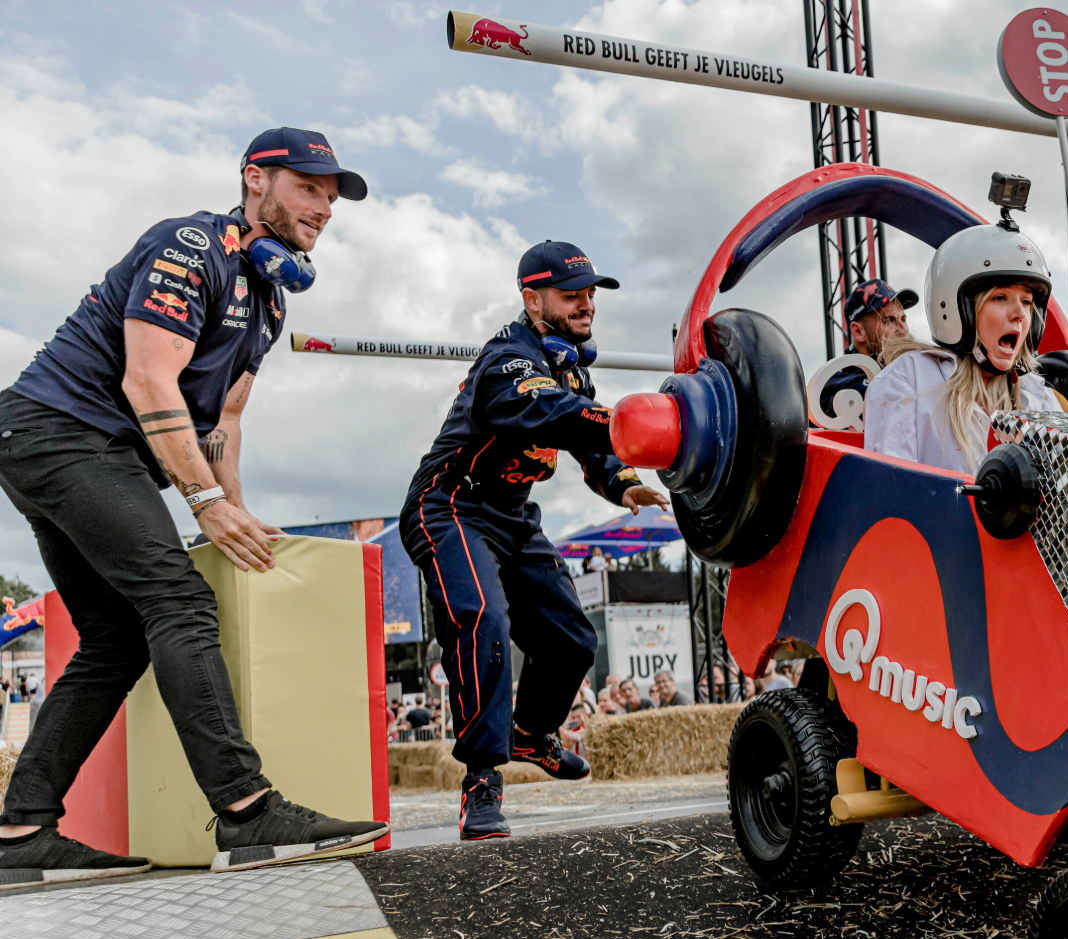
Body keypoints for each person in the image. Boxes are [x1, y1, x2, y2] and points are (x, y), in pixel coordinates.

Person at [0, 127, 387, 887]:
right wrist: (204, 502)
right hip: (60, 430)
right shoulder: (190, 246)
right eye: (308, 188)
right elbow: (149, 379)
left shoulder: (269, 299)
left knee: (117, 637)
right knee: (177, 599)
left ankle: (20, 831)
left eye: (331, 196)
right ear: (256, 179)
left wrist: (235, 511)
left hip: (71, 444)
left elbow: (225, 423)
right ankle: (247, 812)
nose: (324, 207)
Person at [400, 240, 669, 841]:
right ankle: (481, 780)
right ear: (532, 299)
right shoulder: (509, 359)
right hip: (449, 506)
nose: (587, 304)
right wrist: (635, 422)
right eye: (571, 295)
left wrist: (624, 483)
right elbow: (553, 415)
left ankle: (529, 734)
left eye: (590, 293)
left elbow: (589, 443)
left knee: (573, 640)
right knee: (482, 617)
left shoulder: (569, 367)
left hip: (513, 516)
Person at [864, 224, 1061, 475]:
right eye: (1000, 298)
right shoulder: (907, 382)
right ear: (956, 309)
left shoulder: (1039, 399)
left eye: (1026, 301)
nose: (1020, 314)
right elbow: (891, 489)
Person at [818, 279, 918, 421]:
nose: (903, 329)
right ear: (858, 331)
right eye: (889, 320)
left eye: (903, 319)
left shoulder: (914, 368)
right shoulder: (836, 385)